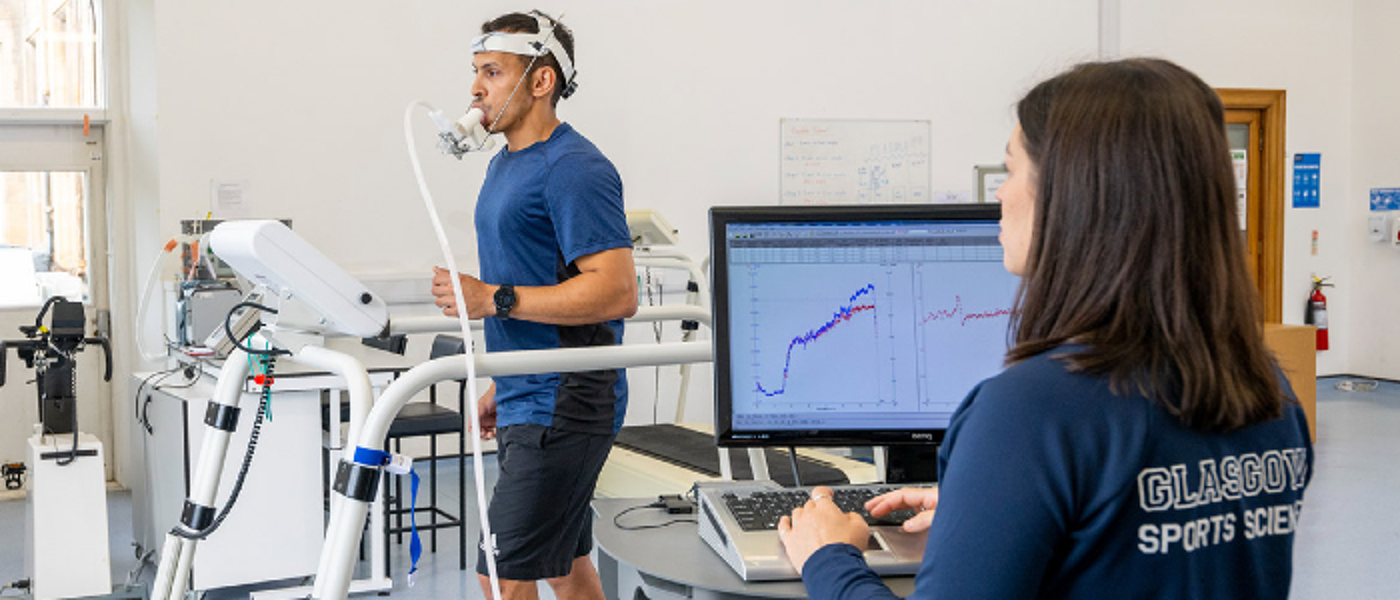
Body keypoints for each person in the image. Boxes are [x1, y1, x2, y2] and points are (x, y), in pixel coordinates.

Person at [777, 58, 1313, 599]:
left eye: (1011, 171)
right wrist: (997, 507)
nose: (999, 196)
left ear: (1075, 197)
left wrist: (829, 561)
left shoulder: (1030, 413)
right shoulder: (1268, 392)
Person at [429, 10, 636, 600]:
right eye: (475, 72)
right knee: (563, 567)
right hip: (533, 392)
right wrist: (507, 379)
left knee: (502, 578)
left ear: (541, 81)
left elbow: (618, 291)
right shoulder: (503, 165)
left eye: (493, 72)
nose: (475, 88)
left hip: (565, 403)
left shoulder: (575, 169)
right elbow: (540, 282)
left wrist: (490, 299)